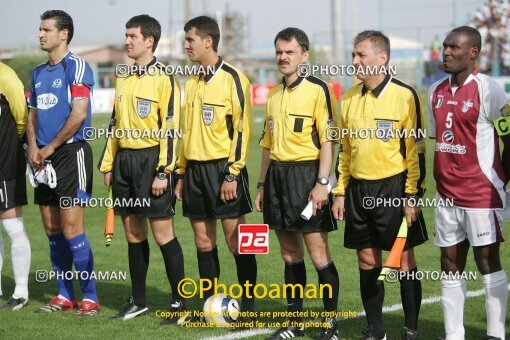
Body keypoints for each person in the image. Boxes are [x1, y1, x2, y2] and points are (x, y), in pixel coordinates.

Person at [331, 30, 427, 340]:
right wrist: (340, 191)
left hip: (394, 190)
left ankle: (410, 330)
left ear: (381, 58)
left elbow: (417, 152)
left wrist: (413, 195)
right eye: (353, 55)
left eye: (360, 55)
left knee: (402, 260)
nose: (354, 61)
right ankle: (376, 331)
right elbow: (344, 151)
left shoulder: (405, 95)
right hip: (359, 191)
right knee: (367, 260)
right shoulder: (347, 98)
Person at [98, 14, 186, 322]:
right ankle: (138, 301)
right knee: (133, 234)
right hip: (125, 163)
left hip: (152, 162)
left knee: (163, 234)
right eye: (126, 35)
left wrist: (164, 171)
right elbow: (114, 123)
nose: (127, 41)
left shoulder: (166, 78)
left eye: (133, 36)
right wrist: (109, 163)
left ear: (149, 41)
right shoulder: (123, 76)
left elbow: (172, 128)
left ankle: (179, 303)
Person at [255, 27, 340, 340]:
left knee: (319, 254)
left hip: (308, 177)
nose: (283, 57)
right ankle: (294, 323)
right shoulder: (274, 95)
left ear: (305, 55)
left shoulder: (319, 90)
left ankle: (331, 324)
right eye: (279, 51)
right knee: (290, 254)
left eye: (289, 52)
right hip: (277, 177)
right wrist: (263, 184)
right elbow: (267, 144)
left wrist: (322, 183)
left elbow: (330, 141)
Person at [174, 15, 257, 324]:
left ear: (208, 41)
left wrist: (233, 173)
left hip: (225, 169)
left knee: (238, 241)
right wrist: (181, 173)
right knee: (203, 242)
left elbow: (243, 130)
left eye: (190, 40)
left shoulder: (235, 78)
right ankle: (210, 305)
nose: (186, 46)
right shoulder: (191, 81)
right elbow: (185, 130)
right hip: (194, 171)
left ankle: (248, 308)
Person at [429, 26, 509, 340]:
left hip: (480, 194)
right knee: (449, 261)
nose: (445, 52)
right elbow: (440, 142)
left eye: (453, 47)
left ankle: (495, 333)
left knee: (487, 260)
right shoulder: (435, 90)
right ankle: (454, 334)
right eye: (444, 47)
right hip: (446, 195)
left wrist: (503, 182)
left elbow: (509, 139)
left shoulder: (491, 89)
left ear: (472, 52)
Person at [27, 10, 99, 316]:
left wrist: (52, 147)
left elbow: (79, 114)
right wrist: (33, 146)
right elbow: (31, 115)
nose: (41, 34)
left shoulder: (77, 66)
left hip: (71, 154)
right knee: (52, 228)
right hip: (41, 158)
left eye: (47, 29)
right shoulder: (37, 72)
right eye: (40, 29)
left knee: (72, 228)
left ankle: (91, 297)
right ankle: (63, 294)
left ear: (64, 34)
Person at [0, 61, 31, 310]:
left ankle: (21, 292)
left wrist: (14, 146)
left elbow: (21, 117)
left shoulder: (6, 75)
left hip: (5, 162)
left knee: (12, 225)